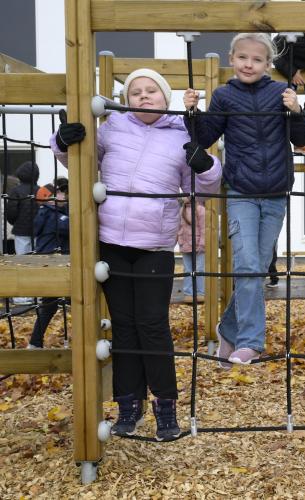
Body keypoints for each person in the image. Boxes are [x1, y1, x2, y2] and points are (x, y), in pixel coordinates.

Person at [53, 68, 222, 440]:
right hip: (111, 241)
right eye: (136, 92)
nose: (144, 97)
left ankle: (166, 406)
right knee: (124, 328)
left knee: (152, 325)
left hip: (154, 246)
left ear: (166, 98)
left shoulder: (181, 135)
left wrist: (205, 165)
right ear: (127, 99)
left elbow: (207, 186)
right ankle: (128, 405)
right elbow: (77, 158)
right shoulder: (113, 127)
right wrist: (63, 142)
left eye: (152, 91)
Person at [183, 33, 305, 366]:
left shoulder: (281, 93)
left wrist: (296, 110)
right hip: (241, 192)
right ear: (232, 59)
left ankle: (228, 328)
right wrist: (192, 113)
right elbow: (204, 137)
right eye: (242, 58)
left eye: (256, 59)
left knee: (256, 267)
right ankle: (251, 342)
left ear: (268, 65)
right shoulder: (224, 96)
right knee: (247, 266)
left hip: (276, 193)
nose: (248, 64)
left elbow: (302, 139)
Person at [28, 178, 70, 349]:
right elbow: (66, 227)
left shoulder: (55, 211)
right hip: (51, 264)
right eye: (61, 192)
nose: (63, 196)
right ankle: (35, 343)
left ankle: (35, 342)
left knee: (52, 306)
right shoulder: (50, 212)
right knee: (49, 306)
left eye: (66, 193)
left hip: (63, 263)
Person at [5, 161, 40, 305]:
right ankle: (36, 294)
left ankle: (23, 296)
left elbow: (11, 212)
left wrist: (16, 223)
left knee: (22, 261)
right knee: (37, 262)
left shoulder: (16, 191)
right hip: (38, 231)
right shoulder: (41, 190)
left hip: (21, 231)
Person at [177, 200, 206, 304]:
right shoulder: (181, 210)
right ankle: (188, 293)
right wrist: (180, 241)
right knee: (187, 269)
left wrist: (202, 243)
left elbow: (203, 228)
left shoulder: (201, 210)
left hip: (198, 245)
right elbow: (179, 227)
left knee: (199, 269)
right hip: (185, 245)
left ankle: (200, 292)